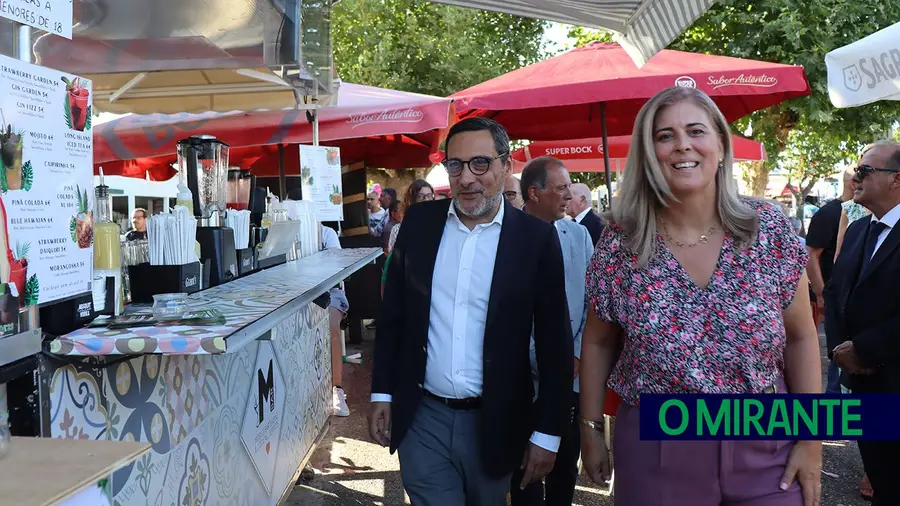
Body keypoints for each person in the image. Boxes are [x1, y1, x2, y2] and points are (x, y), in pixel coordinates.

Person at [579, 86, 822, 506]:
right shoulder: (621, 241)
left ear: (721, 145)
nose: (682, 145)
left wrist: (811, 439)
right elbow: (598, 340)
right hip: (657, 445)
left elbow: (801, 337)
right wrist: (589, 428)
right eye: (664, 136)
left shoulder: (767, 229)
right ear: (649, 154)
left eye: (695, 131)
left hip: (765, 438)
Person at [369, 117, 574, 506]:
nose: (466, 178)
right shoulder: (420, 224)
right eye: (456, 165)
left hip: (495, 422)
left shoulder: (536, 240)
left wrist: (548, 434)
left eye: (480, 164)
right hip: (422, 419)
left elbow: (555, 345)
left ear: (505, 166)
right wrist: (382, 392)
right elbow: (394, 316)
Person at [512, 156, 592, 506]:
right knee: (524, 473)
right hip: (520, 380)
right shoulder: (507, 238)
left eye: (569, 187)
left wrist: (574, 354)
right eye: (560, 188)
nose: (568, 195)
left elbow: (595, 302)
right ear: (534, 193)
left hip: (569, 375)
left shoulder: (578, 235)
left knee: (565, 466)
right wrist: (535, 357)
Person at [824, 140, 900, 506]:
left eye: (865, 170)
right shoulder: (857, 230)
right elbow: (837, 295)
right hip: (864, 386)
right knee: (883, 478)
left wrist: (866, 350)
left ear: (895, 179)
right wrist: (841, 352)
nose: (855, 176)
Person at [806, 169, 852, 395]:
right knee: (835, 362)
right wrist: (821, 294)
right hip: (829, 300)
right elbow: (811, 255)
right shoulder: (829, 213)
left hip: (847, 302)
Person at [321, 225, 351, 416]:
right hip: (298, 291)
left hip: (330, 291)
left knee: (331, 325)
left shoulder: (327, 233)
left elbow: (335, 270)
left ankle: (336, 389)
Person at [387, 180, 434, 255]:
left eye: (429, 195)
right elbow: (394, 258)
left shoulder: (439, 225)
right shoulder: (399, 229)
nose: (426, 199)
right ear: (411, 200)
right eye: (420, 196)